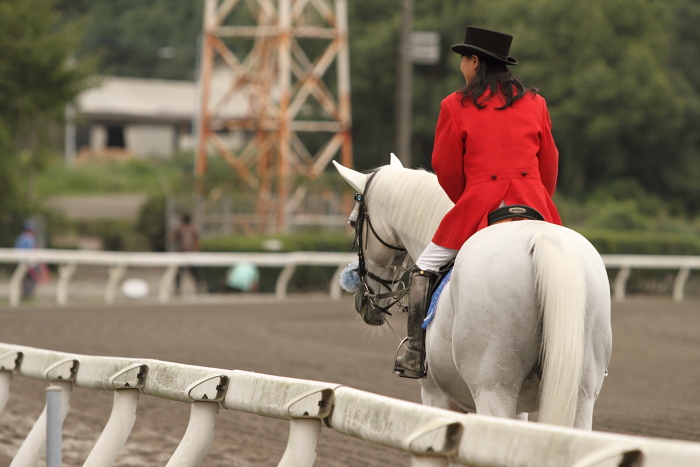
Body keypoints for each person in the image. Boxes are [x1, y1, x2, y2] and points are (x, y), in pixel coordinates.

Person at [394, 26, 563, 379]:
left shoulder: (454, 105)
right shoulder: (536, 103)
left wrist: (469, 199)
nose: (461, 68)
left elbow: (445, 168)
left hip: (480, 204)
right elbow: (549, 164)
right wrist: (537, 196)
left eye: (463, 60)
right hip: (535, 205)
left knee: (424, 266)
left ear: (474, 62)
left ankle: (415, 351)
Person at [171, 213, 200, 295]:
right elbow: (197, 241)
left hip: (182, 252)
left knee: (180, 272)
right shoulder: (193, 229)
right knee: (193, 272)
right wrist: (196, 250)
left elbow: (171, 238)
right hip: (191, 253)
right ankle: (198, 287)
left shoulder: (180, 229)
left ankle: (177, 289)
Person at [14, 220, 44, 299]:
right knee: (31, 278)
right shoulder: (29, 238)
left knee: (25, 278)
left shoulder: (21, 237)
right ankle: (28, 295)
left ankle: (26, 295)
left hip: (24, 262)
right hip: (29, 262)